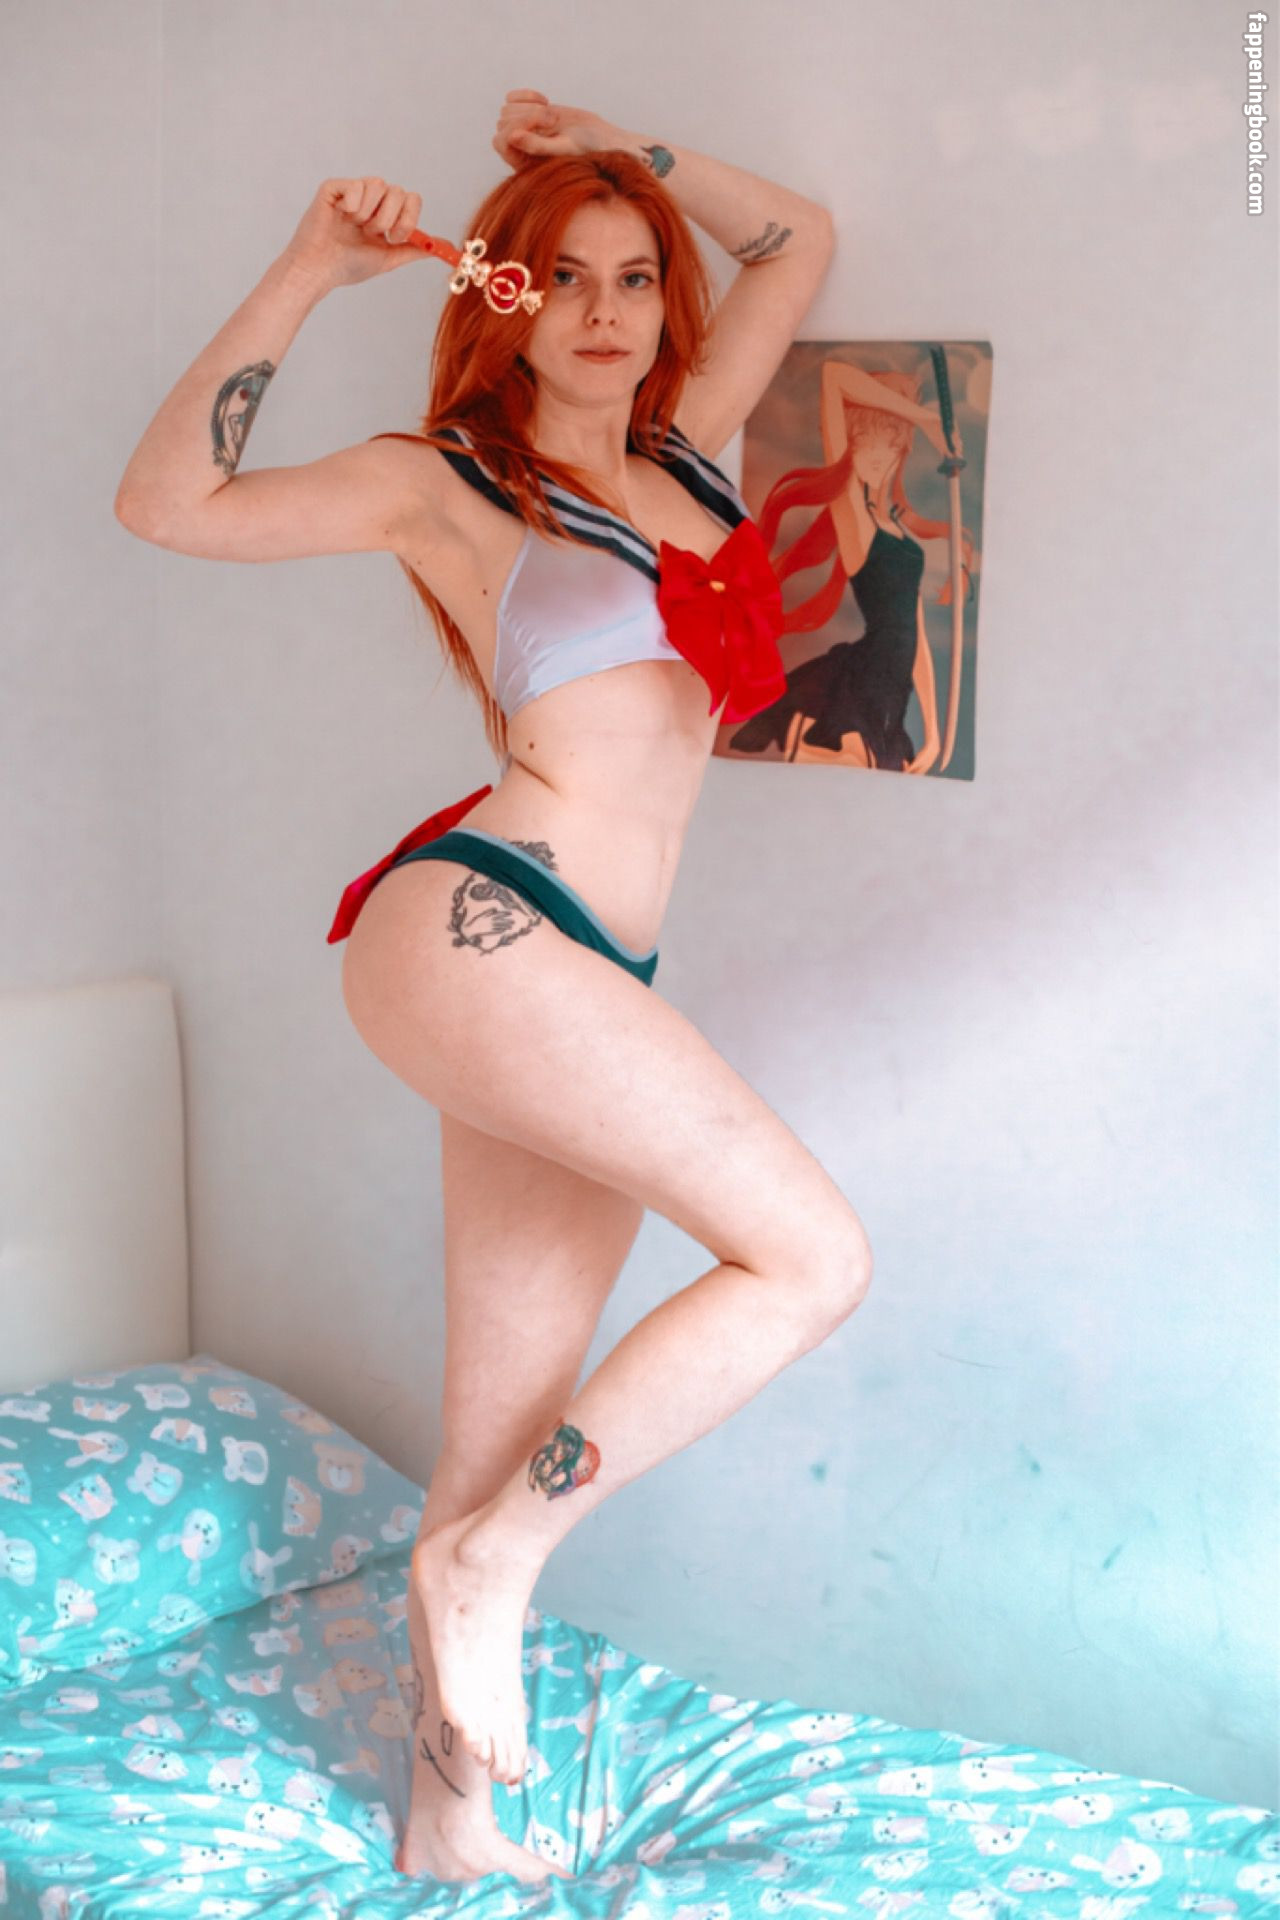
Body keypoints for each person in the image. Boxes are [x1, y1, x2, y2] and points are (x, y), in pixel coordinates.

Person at [114, 88, 873, 1891]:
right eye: (563, 277)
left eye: (634, 278)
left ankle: (447, 1824)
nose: (605, 311)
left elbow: (799, 240)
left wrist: (628, 149)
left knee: (496, 1437)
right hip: (477, 923)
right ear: (503, 302)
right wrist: (314, 264)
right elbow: (167, 502)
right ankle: (495, 1562)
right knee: (812, 1258)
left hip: (587, 963)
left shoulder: (692, 455)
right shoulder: (448, 479)